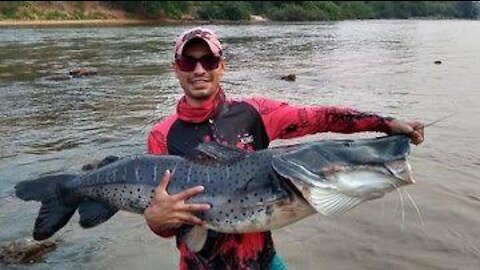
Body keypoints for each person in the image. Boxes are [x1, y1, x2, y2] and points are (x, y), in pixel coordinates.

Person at [143, 26, 424, 270]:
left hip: (263, 260)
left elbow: (320, 117)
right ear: (176, 68)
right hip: (198, 266)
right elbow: (166, 222)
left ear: (222, 66)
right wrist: (155, 221)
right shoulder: (161, 136)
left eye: (209, 60)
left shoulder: (254, 113)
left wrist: (385, 123)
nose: (199, 70)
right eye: (188, 62)